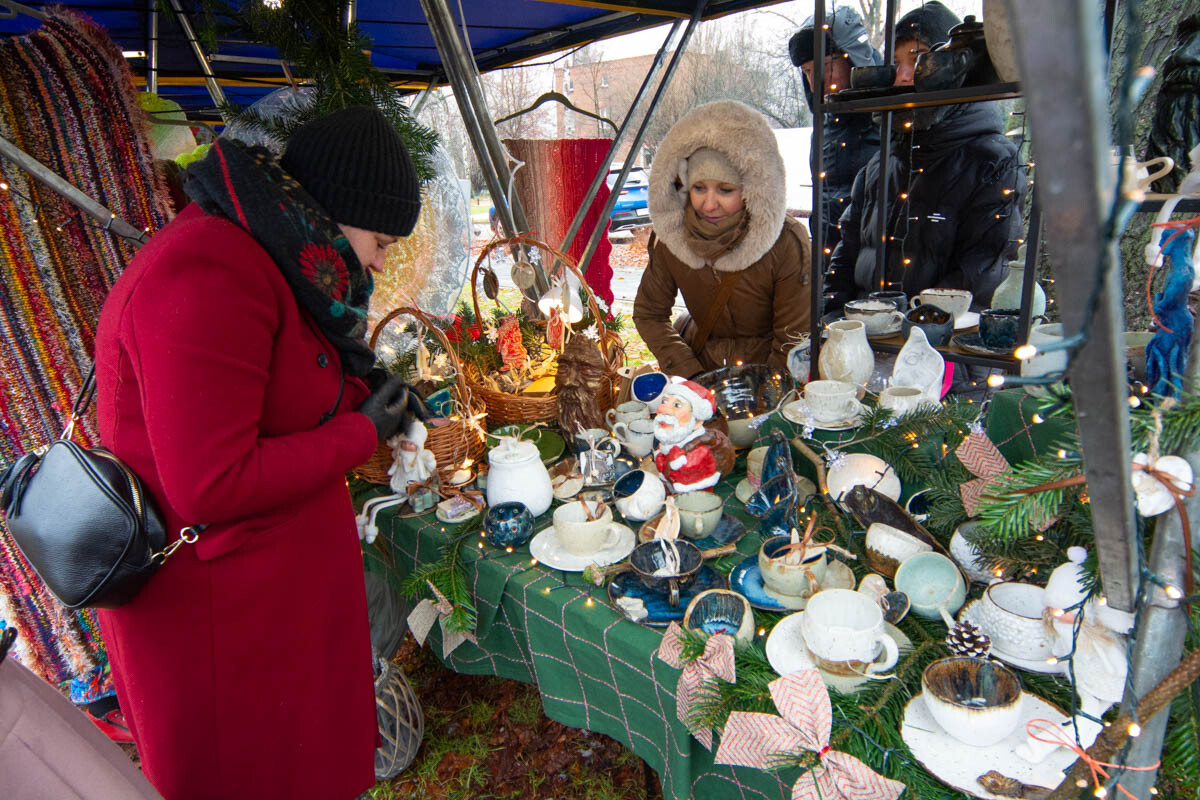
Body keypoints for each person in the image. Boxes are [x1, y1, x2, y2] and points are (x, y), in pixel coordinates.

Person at [94, 106, 429, 799]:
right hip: (224, 630)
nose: (378, 260)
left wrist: (371, 390)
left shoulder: (272, 254)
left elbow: (286, 379)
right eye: (379, 239)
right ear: (331, 212)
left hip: (272, 605)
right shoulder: (209, 269)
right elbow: (211, 482)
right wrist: (362, 431)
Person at [824, 1, 1023, 314]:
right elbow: (845, 259)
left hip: (943, 352)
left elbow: (979, 276)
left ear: (957, 65)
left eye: (917, 58)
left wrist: (909, 337)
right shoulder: (880, 164)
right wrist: (833, 325)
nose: (904, 75)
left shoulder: (991, 162)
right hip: (866, 345)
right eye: (896, 62)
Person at [634, 100, 812, 378]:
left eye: (725, 190)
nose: (708, 204)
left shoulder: (786, 242)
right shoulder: (672, 237)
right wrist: (691, 376)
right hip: (700, 369)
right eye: (699, 188)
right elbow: (649, 314)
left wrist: (767, 390)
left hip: (765, 374)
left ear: (750, 188)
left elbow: (794, 339)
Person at [788, 6, 884, 261]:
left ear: (854, 58)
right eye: (807, 71)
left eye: (825, 66)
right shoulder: (824, 127)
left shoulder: (889, 119)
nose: (814, 81)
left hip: (874, 263)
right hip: (829, 263)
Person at [652, 378, 735, 493]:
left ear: (696, 422)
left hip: (695, 496)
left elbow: (686, 470)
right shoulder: (666, 444)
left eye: (677, 405)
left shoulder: (699, 452)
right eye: (664, 402)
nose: (663, 409)